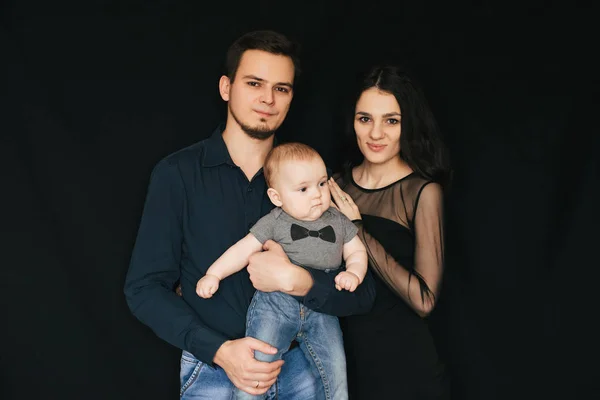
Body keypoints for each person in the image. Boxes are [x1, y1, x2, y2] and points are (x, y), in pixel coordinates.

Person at [123, 30, 375, 400]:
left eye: (282, 89)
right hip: (213, 372)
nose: (268, 99)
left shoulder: (315, 181)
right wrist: (220, 351)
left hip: (304, 369)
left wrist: (298, 281)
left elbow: (363, 294)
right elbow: (143, 289)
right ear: (226, 87)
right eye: (254, 83)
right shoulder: (177, 174)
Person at [197, 142, 368, 400]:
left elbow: (357, 251)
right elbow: (242, 250)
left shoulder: (338, 220)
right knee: (257, 369)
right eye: (303, 189)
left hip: (322, 308)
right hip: (275, 305)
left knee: (335, 369)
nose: (317, 195)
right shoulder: (274, 221)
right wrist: (214, 274)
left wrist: (354, 272)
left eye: (322, 184)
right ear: (277, 197)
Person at [328, 65, 451, 399]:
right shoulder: (333, 186)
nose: (375, 133)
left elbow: (424, 300)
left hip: (405, 372)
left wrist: (357, 229)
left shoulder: (422, 193)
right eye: (365, 119)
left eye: (391, 121)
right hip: (342, 367)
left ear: (408, 125)